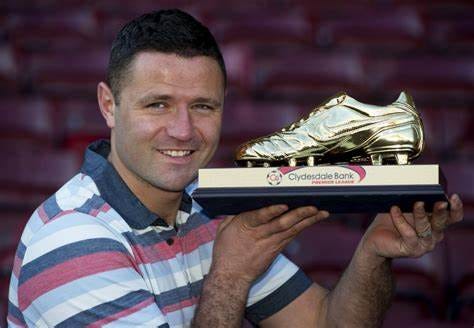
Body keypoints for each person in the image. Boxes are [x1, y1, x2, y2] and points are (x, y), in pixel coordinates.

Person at [7, 9, 463, 327]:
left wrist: (373, 254)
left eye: (203, 106)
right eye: (158, 104)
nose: (183, 131)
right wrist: (229, 278)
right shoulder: (71, 242)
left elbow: (328, 323)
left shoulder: (206, 214)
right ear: (109, 105)